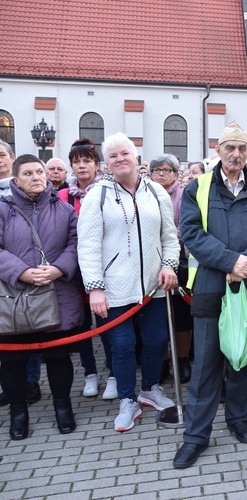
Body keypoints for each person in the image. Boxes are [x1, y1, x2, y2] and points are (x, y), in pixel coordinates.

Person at [174, 121, 247, 468]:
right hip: (212, 287)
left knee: (244, 360)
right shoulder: (199, 187)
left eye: (241, 149)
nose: (235, 155)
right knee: (207, 364)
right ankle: (195, 436)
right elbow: (191, 232)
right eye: (229, 148)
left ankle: (238, 419)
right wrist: (229, 261)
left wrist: (246, 262)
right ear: (218, 151)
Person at [77, 133, 180, 432]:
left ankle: (149, 388)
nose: (120, 159)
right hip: (115, 287)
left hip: (154, 286)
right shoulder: (98, 195)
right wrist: (95, 287)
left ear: (136, 156)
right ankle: (126, 399)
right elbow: (88, 244)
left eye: (125, 153)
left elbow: (169, 237)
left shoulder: (156, 192)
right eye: (113, 156)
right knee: (122, 346)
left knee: (157, 341)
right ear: (106, 163)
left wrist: (169, 264)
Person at [0, 154, 83, 440]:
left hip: (56, 292)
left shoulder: (63, 209)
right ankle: (18, 411)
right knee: (12, 360)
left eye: (40, 171)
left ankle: (63, 407)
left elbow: (75, 243)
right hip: (14, 297)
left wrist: (59, 269)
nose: (36, 177)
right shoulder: (2, 208)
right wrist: (21, 272)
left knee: (58, 355)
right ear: (15, 179)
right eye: (28, 173)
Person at [57, 139, 114, 399]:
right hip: (73, 269)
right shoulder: (62, 196)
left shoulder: (107, 191)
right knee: (81, 326)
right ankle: (90, 372)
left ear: (96, 165)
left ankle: (113, 373)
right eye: (76, 162)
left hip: (104, 266)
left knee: (107, 323)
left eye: (87, 161)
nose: (81, 166)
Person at [0, 141, 44, 408]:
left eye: (2, 155)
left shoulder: (22, 191)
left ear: (12, 159)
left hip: (24, 272)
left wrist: (22, 270)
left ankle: (30, 381)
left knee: (26, 327)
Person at [149, 154, 193, 384]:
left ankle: (183, 360)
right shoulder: (146, 194)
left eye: (166, 170)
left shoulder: (185, 195)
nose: (160, 173)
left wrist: (162, 238)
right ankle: (163, 362)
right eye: (156, 170)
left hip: (180, 262)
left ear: (176, 173)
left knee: (181, 315)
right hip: (151, 265)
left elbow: (186, 226)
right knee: (158, 317)